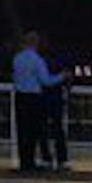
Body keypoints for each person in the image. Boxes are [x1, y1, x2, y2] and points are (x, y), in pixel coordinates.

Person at [9, 30, 63, 174]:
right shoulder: (37, 60)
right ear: (36, 43)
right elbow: (46, 81)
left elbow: (14, 78)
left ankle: (24, 163)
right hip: (33, 98)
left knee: (22, 131)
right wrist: (61, 76)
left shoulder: (17, 58)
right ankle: (30, 163)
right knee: (32, 132)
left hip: (20, 97)